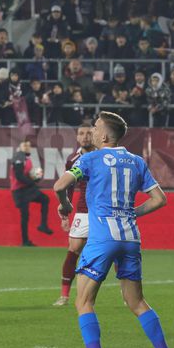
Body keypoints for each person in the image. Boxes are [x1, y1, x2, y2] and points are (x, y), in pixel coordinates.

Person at [53, 112, 174, 348]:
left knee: (83, 302)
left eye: (96, 127)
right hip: (130, 237)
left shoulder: (89, 159)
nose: (92, 130)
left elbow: (60, 185)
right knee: (137, 302)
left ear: (104, 136)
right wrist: (132, 213)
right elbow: (160, 199)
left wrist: (64, 204)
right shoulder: (136, 161)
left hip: (102, 238)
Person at [53, 123, 95, 306]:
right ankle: (64, 295)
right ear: (77, 137)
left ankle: (127, 293)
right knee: (73, 249)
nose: (85, 137)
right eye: (81, 133)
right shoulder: (73, 160)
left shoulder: (103, 156)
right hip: (84, 211)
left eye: (89, 133)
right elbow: (68, 187)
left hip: (104, 210)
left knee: (115, 250)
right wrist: (65, 213)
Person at [10, 138, 53, 246]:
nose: (27, 148)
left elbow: (25, 175)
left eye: (28, 146)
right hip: (20, 190)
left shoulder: (26, 158)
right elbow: (19, 176)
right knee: (25, 214)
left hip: (25, 188)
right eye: (24, 145)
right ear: (20, 147)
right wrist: (32, 182)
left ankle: (42, 226)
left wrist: (35, 178)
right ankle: (26, 240)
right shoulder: (19, 156)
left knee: (44, 200)